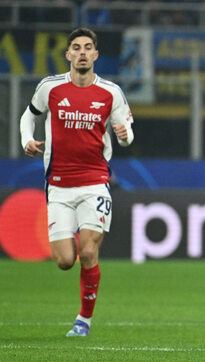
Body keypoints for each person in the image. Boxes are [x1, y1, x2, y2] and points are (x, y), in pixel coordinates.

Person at [20, 28, 134, 337]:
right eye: (76, 48)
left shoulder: (111, 92)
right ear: (68, 54)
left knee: (87, 252)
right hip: (58, 185)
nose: (82, 52)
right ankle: (74, 244)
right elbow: (28, 116)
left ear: (95, 55)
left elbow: (126, 130)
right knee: (65, 261)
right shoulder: (50, 88)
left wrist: (125, 136)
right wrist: (26, 139)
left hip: (95, 182)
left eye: (87, 47)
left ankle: (83, 320)